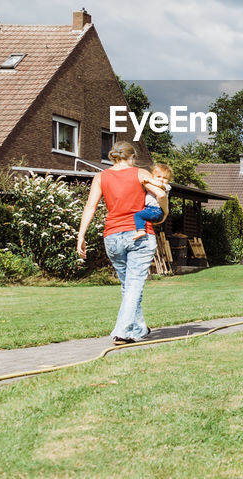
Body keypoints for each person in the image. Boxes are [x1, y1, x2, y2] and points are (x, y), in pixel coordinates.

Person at [76, 141, 158, 344]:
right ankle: (122, 331)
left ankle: (138, 328)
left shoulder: (100, 177)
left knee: (127, 285)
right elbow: (160, 195)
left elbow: (90, 207)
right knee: (134, 284)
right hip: (139, 234)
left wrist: (81, 236)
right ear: (132, 157)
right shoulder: (141, 174)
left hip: (112, 237)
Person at [131, 163, 173, 240]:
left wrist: (149, 180)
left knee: (138, 215)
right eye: (158, 176)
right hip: (150, 209)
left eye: (165, 178)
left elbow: (159, 185)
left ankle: (141, 231)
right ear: (153, 176)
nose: (161, 179)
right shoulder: (153, 185)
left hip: (156, 210)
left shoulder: (166, 186)